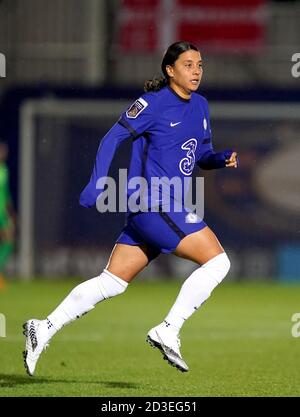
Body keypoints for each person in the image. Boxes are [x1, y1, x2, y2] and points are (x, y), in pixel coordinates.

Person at [23, 41, 238, 376]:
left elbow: (201, 154)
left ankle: (43, 327)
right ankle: (169, 328)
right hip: (155, 202)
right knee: (219, 262)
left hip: (162, 207)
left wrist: (220, 159)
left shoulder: (200, 106)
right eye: (188, 64)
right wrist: (97, 181)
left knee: (112, 282)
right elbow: (112, 138)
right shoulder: (152, 104)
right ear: (170, 70)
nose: (196, 71)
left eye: (200, 65)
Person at [0, 141, 15, 290]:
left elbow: (6, 193)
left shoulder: (4, 169)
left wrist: (10, 212)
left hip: (2, 213)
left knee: (9, 242)